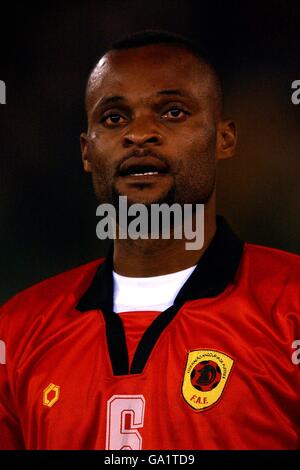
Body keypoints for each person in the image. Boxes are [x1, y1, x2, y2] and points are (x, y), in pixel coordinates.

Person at [0, 30, 299, 450]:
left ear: (224, 139)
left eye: (172, 112)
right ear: (87, 152)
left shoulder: (292, 307)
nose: (139, 134)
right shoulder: (16, 331)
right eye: (114, 118)